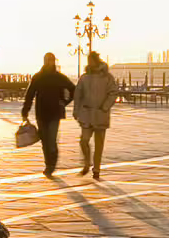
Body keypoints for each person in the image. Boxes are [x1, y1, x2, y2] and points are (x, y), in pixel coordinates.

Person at [22, 52, 75, 177]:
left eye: (51, 60)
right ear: (44, 61)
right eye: (48, 60)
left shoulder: (59, 77)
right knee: (45, 140)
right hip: (41, 112)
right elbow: (29, 95)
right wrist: (25, 111)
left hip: (55, 113)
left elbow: (73, 89)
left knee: (51, 139)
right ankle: (48, 164)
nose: (50, 62)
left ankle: (51, 164)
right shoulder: (38, 77)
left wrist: (64, 102)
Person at [73, 51, 119, 179]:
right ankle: (87, 162)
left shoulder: (107, 77)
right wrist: (76, 110)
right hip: (86, 114)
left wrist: (105, 106)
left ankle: (96, 169)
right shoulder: (84, 77)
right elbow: (78, 95)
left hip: (100, 114)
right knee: (84, 140)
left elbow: (113, 92)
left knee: (99, 144)